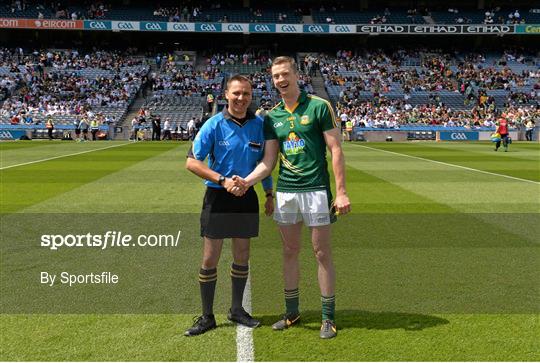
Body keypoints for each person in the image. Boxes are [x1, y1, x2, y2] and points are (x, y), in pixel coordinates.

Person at [235, 56, 351, 339]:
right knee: (289, 252)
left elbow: (335, 149)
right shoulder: (272, 116)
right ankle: (291, 312)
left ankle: (327, 317)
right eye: (275, 76)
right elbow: (269, 160)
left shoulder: (319, 106)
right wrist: (248, 181)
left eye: (284, 74)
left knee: (321, 253)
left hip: (316, 190)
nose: (280, 80)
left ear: (296, 75)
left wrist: (342, 191)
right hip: (287, 191)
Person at [184, 75, 274, 336]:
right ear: (226, 94)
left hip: (246, 196)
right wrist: (221, 180)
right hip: (218, 196)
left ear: (251, 95)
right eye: (236, 93)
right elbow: (192, 162)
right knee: (210, 258)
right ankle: (207, 316)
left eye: (246, 93)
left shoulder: (260, 125)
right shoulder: (213, 124)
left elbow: (264, 165)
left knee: (242, 255)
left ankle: (236, 309)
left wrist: (269, 194)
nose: (241, 98)